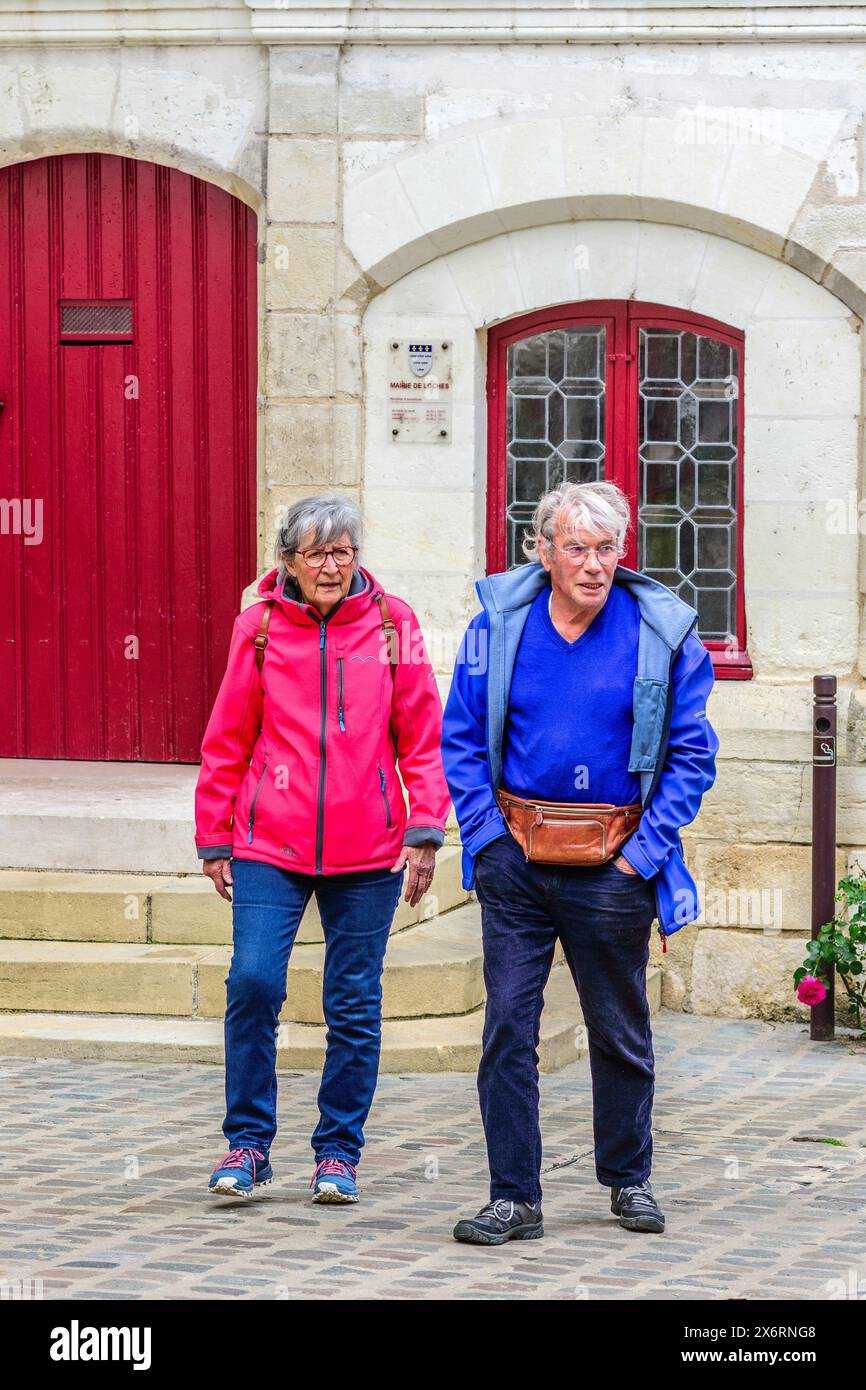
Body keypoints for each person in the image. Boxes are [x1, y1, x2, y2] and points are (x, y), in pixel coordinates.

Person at [441, 479, 719, 1244]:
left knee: (619, 1027)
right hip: (517, 862)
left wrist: (643, 857)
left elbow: (692, 755)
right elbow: (460, 738)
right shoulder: (499, 627)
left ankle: (628, 1180)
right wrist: (486, 841)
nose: (594, 565)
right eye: (577, 548)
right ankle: (514, 1197)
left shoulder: (661, 633)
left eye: (606, 549)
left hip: (613, 863)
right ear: (544, 550)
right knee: (506, 1027)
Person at [195, 494, 450, 1203]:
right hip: (267, 841)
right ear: (289, 563)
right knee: (252, 982)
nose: (333, 567)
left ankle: (338, 1152)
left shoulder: (394, 624)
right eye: (318, 554)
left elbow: (421, 734)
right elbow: (227, 738)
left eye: (344, 552)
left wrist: (425, 829)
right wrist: (216, 835)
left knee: (354, 1002)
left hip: (368, 848)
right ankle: (247, 1143)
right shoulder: (260, 628)